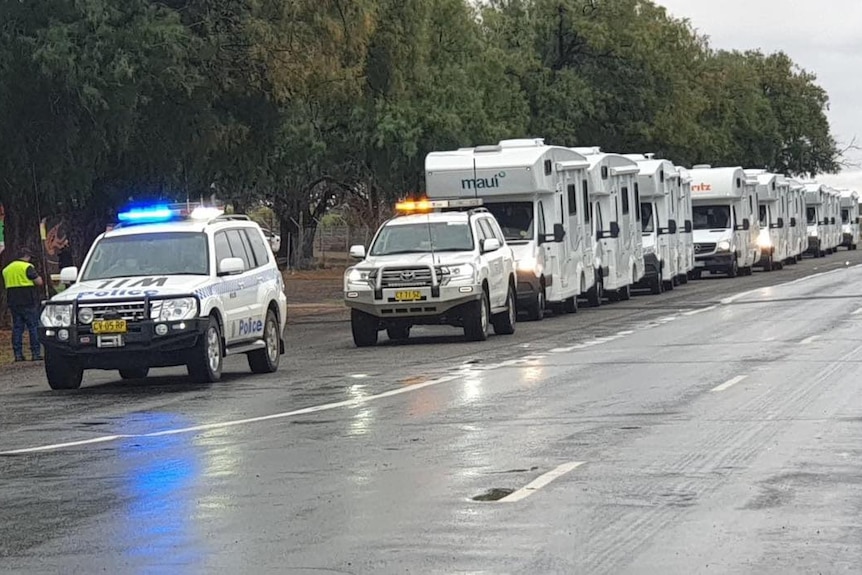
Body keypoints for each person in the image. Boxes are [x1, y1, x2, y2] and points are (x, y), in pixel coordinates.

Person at [2, 247, 44, 362]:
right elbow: (38, 282)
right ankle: (35, 353)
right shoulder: (27, 267)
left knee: (17, 328)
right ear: (26, 256)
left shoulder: (6, 269)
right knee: (33, 327)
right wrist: (39, 277)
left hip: (13, 301)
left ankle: (18, 355)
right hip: (28, 300)